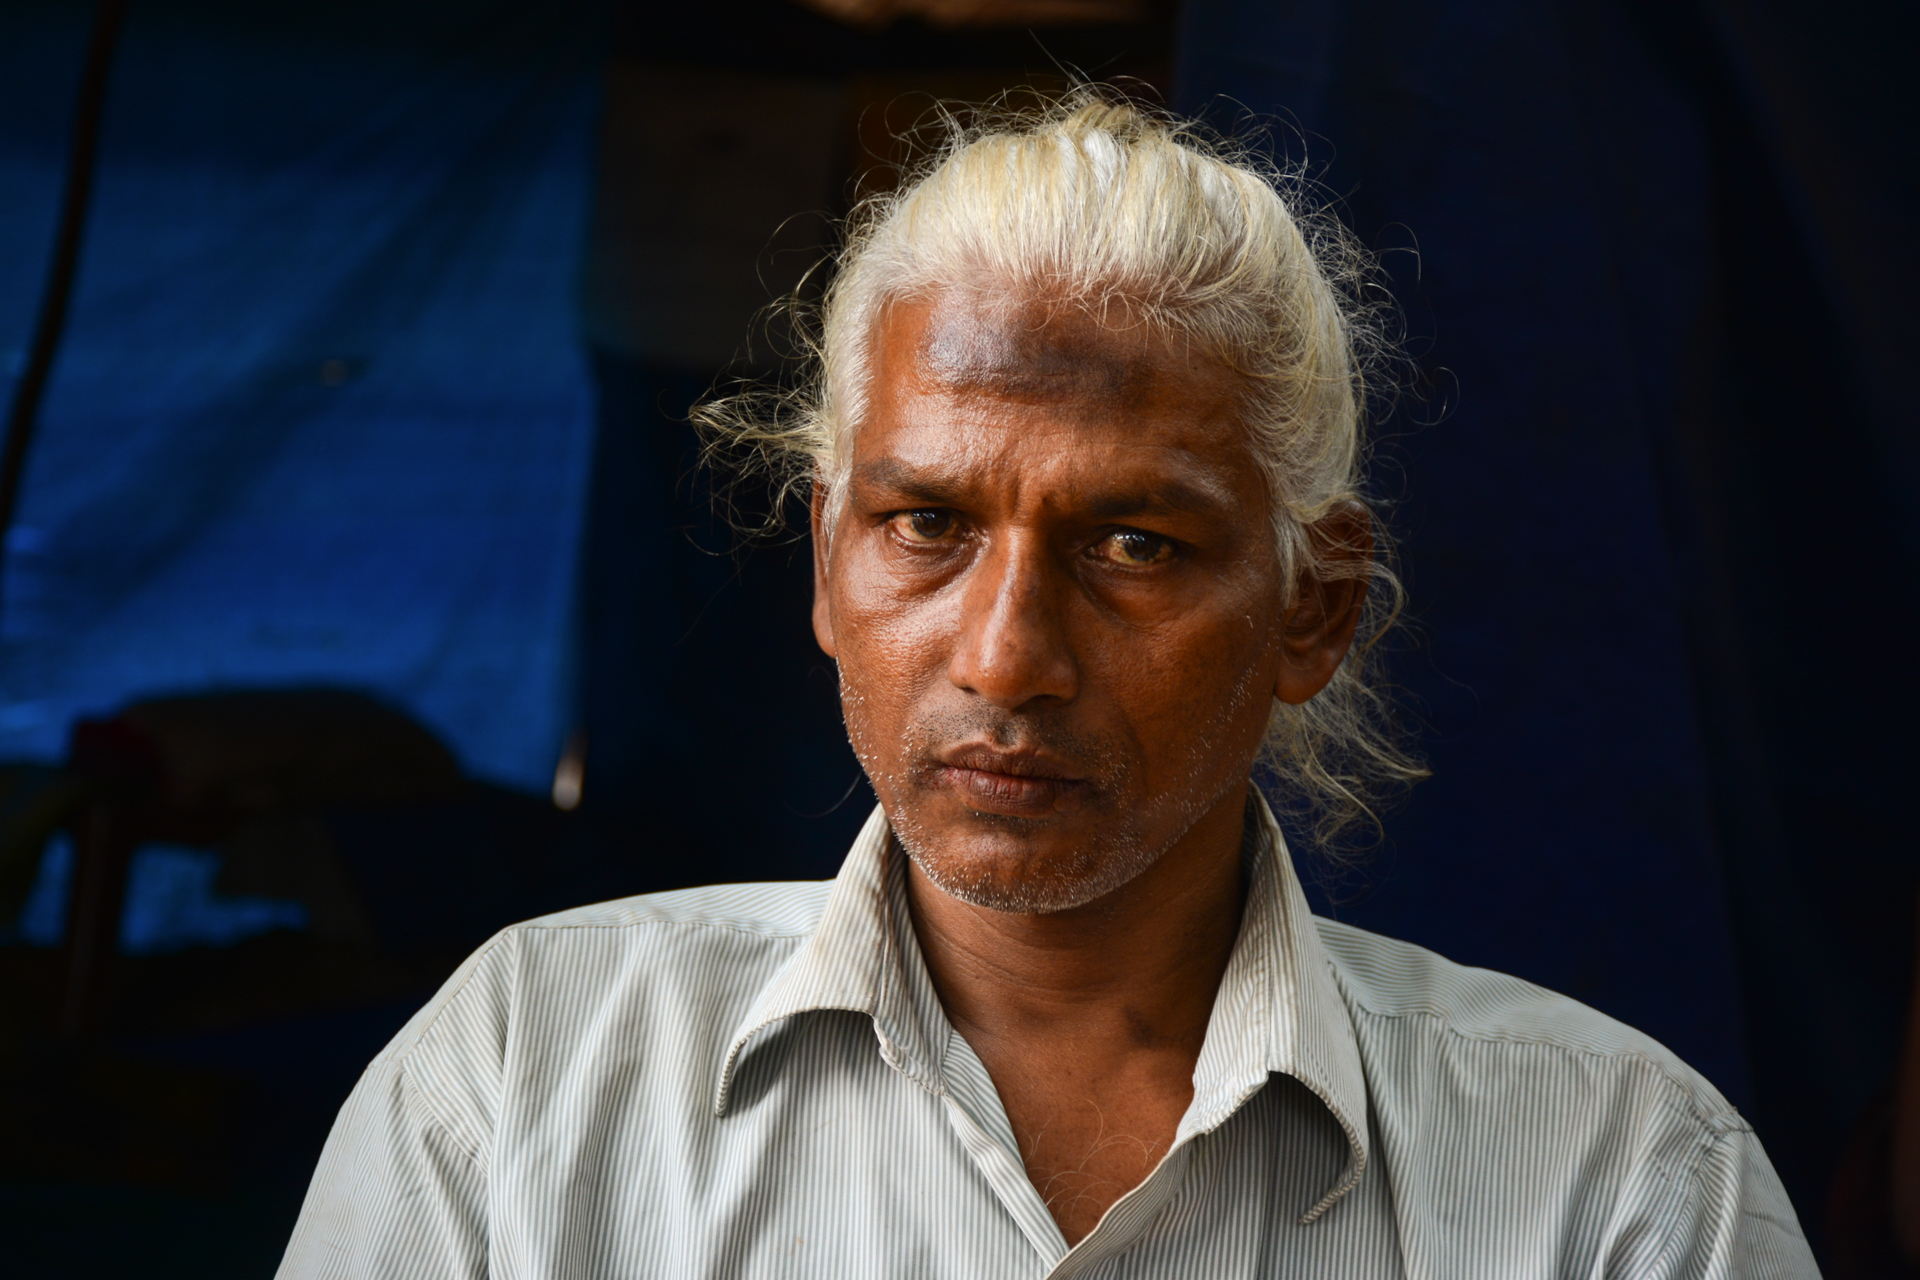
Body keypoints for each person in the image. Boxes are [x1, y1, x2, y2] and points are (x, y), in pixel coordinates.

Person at [276, 97, 1817, 1278]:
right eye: (926, 525)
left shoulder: (1618, 1185)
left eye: (1136, 543)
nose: (1007, 654)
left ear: (1313, 608)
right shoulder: (521, 1081)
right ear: (826, 561)